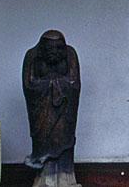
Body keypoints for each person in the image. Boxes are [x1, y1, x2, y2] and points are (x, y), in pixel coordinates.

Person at [22, 30, 81, 187]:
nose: (53, 53)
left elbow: (74, 84)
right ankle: (44, 178)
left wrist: (53, 83)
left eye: (57, 49)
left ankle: (66, 178)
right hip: (41, 111)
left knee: (65, 141)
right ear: (42, 48)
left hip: (65, 111)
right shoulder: (32, 56)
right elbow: (29, 85)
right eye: (49, 49)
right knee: (42, 142)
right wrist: (52, 83)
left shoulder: (70, 54)